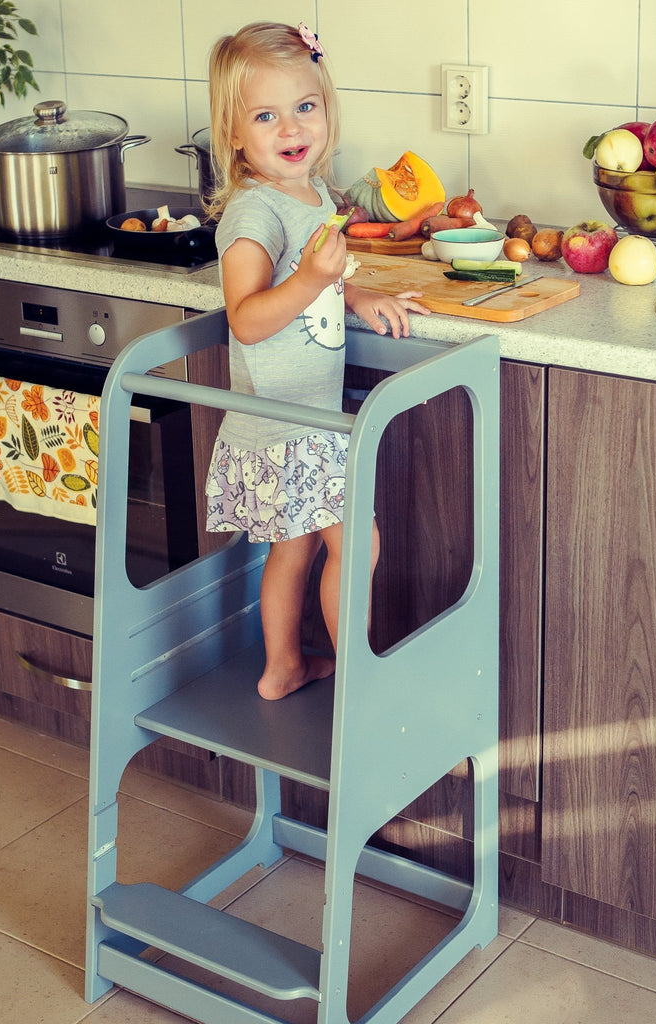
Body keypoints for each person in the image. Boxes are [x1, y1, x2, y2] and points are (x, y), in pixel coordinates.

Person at [203, 21, 428, 700]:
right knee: (359, 544)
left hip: (300, 419)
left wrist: (355, 293)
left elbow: (318, 282)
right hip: (287, 423)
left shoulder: (315, 195)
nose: (292, 127)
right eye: (266, 116)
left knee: (295, 547)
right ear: (233, 132)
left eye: (305, 106)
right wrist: (309, 278)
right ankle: (359, 687)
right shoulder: (254, 214)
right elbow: (247, 319)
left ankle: (283, 667)